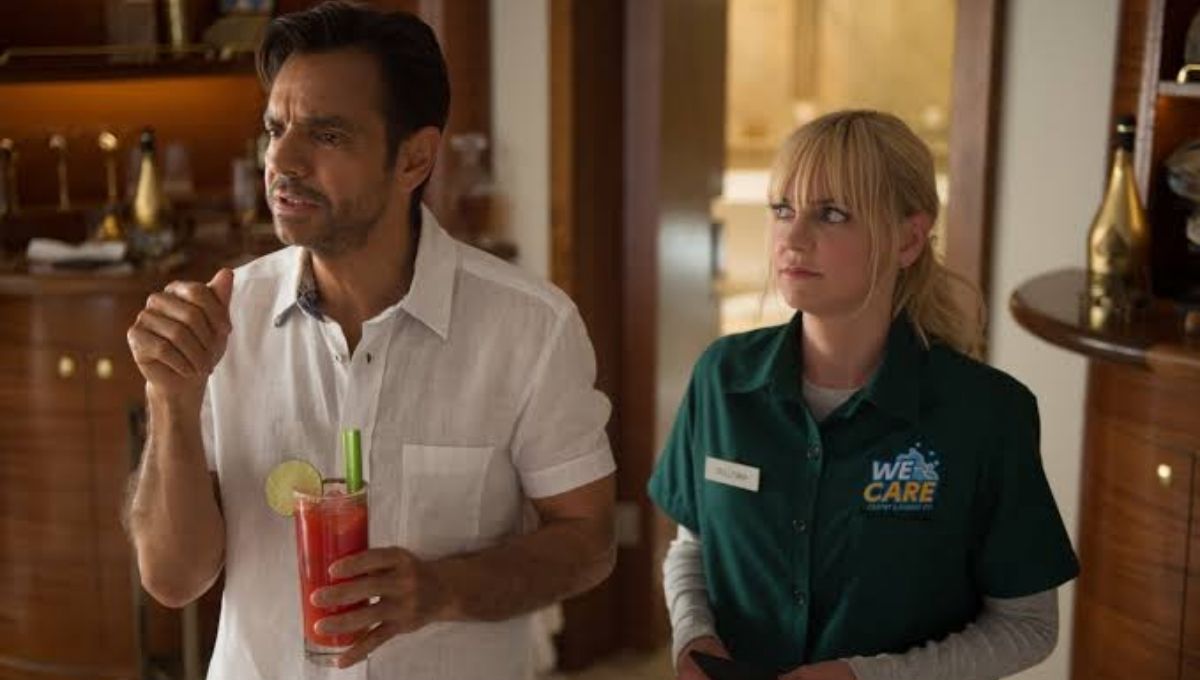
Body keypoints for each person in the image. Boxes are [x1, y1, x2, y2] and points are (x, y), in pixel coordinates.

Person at [124, 3, 616, 679]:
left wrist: (442, 589)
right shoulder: (225, 319)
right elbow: (173, 579)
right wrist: (172, 401)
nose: (281, 160)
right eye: (275, 129)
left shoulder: (529, 327)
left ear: (415, 158)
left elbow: (588, 542)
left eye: (326, 135)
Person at [648, 110, 1079, 680]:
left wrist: (868, 676)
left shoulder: (987, 413)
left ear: (908, 239)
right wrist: (693, 638)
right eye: (783, 210)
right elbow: (693, 544)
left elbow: (1028, 625)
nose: (792, 239)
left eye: (831, 214)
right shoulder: (721, 379)